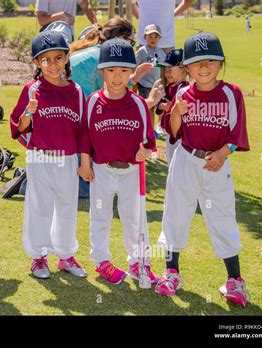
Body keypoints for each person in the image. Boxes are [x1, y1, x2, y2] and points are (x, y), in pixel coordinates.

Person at [156, 32, 250, 308]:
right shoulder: (183, 93)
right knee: (176, 212)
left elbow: (237, 134)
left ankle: (235, 281)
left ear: (220, 62)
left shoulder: (231, 93)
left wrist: (223, 153)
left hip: (217, 164)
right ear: (187, 67)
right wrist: (176, 113)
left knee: (222, 216)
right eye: (197, 62)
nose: (204, 66)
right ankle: (171, 272)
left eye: (210, 60)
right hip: (186, 160)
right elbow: (173, 133)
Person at [78, 38, 158, 285]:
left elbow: (150, 140)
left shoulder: (138, 105)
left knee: (133, 218)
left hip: (130, 171)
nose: (117, 77)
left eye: (124, 71)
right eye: (111, 70)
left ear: (131, 73)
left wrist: (146, 152)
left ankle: (137, 262)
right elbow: (84, 136)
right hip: (101, 170)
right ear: (102, 71)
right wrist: (84, 163)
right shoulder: (92, 101)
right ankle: (102, 261)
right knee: (100, 216)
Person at [10, 31, 87, 280]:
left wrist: (84, 161)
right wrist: (28, 113)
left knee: (66, 207)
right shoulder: (32, 89)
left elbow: (83, 129)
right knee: (40, 207)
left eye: (58, 58)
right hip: (40, 157)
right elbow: (18, 127)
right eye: (45, 60)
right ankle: (39, 257)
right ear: (36, 63)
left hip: (67, 158)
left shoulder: (76, 91)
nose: (52, 65)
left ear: (67, 58)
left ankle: (65, 255)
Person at [156, 48, 188, 164]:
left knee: (177, 163)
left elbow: (181, 110)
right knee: (171, 163)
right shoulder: (169, 87)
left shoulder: (184, 88)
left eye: (170, 69)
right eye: (166, 70)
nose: (167, 73)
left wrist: (167, 107)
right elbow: (159, 108)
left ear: (183, 68)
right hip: (170, 133)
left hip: (179, 135)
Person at [135, 24, 167, 138]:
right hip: (145, 84)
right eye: (150, 36)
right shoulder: (142, 51)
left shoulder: (160, 51)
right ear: (144, 37)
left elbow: (164, 66)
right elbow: (135, 65)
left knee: (160, 107)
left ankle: (158, 126)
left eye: (155, 36)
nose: (153, 39)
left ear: (159, 38)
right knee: (149, 107)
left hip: (157, 84)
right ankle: (149, 129)